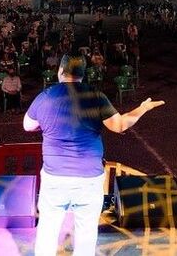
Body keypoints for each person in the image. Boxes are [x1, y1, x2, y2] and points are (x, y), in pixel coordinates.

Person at [24, 54, 165, 255]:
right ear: (83, 75)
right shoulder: (96, 96)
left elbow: (28, 125)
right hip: (89, 179)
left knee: (48, 230)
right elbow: (120, 125)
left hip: (55, 178)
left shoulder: (46, 96)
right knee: (86, 234)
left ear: (60, 72)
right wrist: (142, 109)